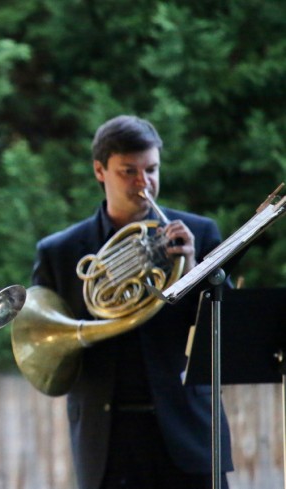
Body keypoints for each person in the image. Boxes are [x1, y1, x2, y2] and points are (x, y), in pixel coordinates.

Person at [31, 115, 233, 489]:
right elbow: (46, 339)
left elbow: (225, 328)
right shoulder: (59, 253)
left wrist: (190, 268)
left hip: (187, 431)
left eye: (152, 170)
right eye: (128, 171)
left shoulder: (199, 234)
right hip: (108, 440)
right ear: (99, 170)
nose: (144, 183)